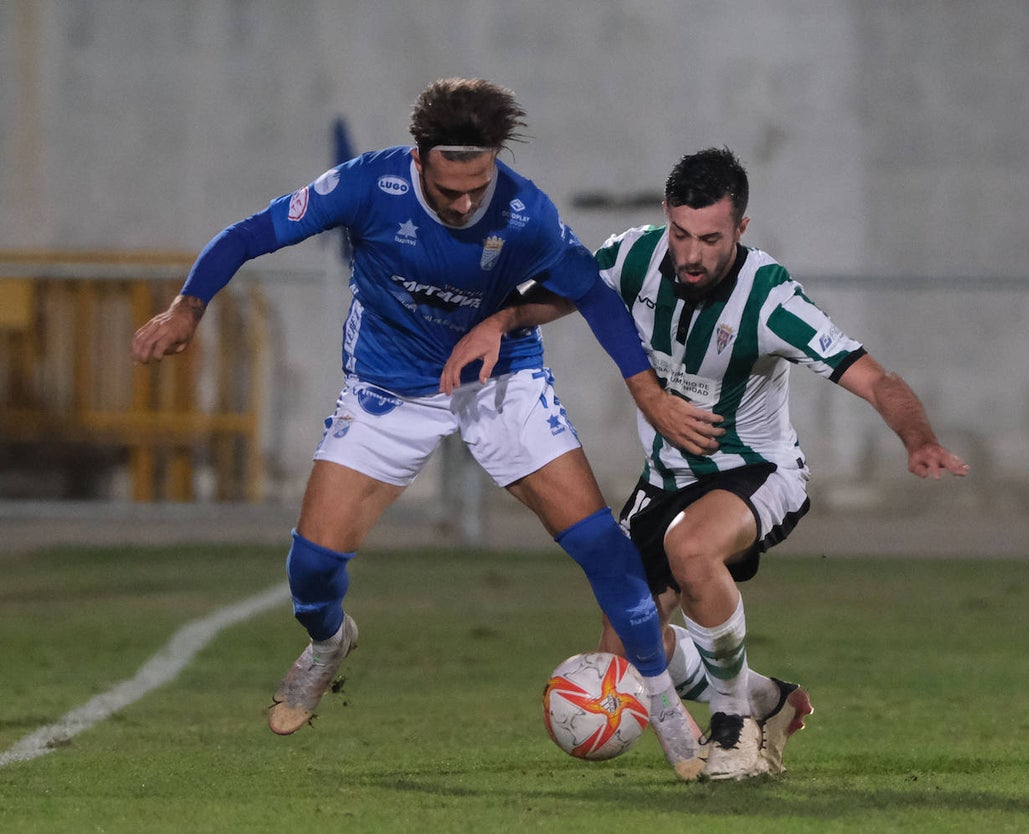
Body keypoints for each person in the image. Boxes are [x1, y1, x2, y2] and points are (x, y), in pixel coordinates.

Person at [129, 79, 725, 781]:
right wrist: (187, 308)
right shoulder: (365, 185)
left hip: (500, 380)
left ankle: (663, 707)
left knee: (601, 544)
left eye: (479, 186)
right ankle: (328, 644)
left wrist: (646, 393)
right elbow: (251, 233)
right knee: (313, 568)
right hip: (389, 385)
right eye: (450, 192)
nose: (467, 203)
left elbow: (590, 292)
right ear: (418, 161)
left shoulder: (525, 212)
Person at [441, 146, 969, 781]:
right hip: (664, 481)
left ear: (741, 229)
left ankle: (732, 724)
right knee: (631, 657)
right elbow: (556, 293)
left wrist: (920, 438)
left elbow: (877, 379)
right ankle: (768, 699)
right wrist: (497, 322)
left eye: (710, 239)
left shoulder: (770, 300)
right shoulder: (636, 255)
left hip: (757, 473)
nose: (691, 254)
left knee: (693, 550)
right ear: (667, 216)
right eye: (682, 234)